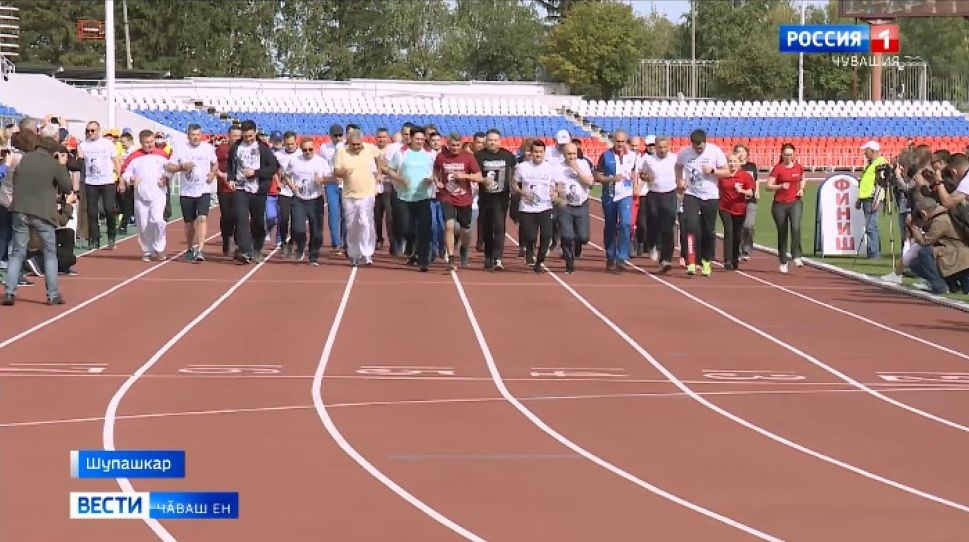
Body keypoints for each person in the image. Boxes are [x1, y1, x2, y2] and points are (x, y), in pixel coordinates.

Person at [2, 133, 72, 306]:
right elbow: (67, 187)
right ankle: (52, 294)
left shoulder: (24, 159)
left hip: (20, 209)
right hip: (43, 212)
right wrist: (62, 166)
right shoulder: (53, 164)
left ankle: (9, 291)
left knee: (17, 252)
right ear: (54, 152)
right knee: (49, 253)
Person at [675, 129, 728, 276]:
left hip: (710, 196)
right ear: (691, 143)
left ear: (705, 142)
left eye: (701, 147)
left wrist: (713, 171)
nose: (699, 150)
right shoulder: (684, 152)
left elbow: (727, 172)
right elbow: (678, 166)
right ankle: (691, 261)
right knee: (691, 226)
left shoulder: (715, 152)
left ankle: (706, 260)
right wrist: (679, 180)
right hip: (691, 194)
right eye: (696, 147)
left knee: (708, 230)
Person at [226, 120, 278, 263]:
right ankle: (245, 251)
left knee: (257, 222)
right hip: (240, 189)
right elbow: (230, 165)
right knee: (241, 218)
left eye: (250, 136)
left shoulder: (263, 148)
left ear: (255, 132)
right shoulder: (236, 147)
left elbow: (273, 167)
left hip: (258, 190)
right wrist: (230, 178)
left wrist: (255, 172)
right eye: (245, 136)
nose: (248, 139)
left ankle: (257, 248)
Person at [384, 127, 435, 272]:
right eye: (417, 139)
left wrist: (430, 179)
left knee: (425, 229)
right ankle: (410, 245)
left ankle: (423, 261)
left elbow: (434, 173)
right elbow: (389, 169)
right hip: (404, 198)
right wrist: (399, 178)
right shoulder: (401, 153)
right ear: (410, 139)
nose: (420, 141)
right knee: (406, 228)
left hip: (423, 197)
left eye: (422, 139)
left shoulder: (429, 155)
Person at [165, 123, 218, 262]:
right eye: (193, 135)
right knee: (189, 223)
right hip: (186, 191)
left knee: (202, 218)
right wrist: (182, 166)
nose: (196, 137)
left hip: (204, 189)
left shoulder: (208, 148)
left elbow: (215, 163)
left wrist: (212, 173)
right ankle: (189, 248)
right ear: (188, 135)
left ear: (202, 135)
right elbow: (169, 166)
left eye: (198, 135)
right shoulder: (180, 148)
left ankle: (200, 250)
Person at [433, 132, 484, 270]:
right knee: (449, 225)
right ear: (447, 144)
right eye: (452, 145)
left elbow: (479, 177)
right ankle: (450, 256)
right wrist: (437, 182)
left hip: (464, 198)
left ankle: (464, 249)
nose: (455, 148)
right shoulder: (441, 157)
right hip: (447, 196)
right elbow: (435, 172)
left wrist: (465, 175)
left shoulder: (468, 157)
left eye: (457, 145)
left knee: (465, 230)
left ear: (461, 144)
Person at [333, 131, 381, 266]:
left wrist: (379, 173)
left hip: (367, 193)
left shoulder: (370, 148)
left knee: (366, 222)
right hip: (349, 194)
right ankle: (354, 253)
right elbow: (336, 171)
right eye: (353, 145)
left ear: (362, 142)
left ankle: (367, 253)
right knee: (351, 225)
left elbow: (380, 158)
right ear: (349, 143)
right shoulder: (342, 152)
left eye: (358, 144)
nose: (356, 147)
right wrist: (344, 172)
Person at [123, 130, 171, 262]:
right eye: (146, 143)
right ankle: (147, 250)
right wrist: (131, 179)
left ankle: (160, 248)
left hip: (158, 194)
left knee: (158, 220)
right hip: (140, 196)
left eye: (151, 142)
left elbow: (170, 169)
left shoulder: (162, 154)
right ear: (141, 142)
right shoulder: (134, 157)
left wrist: (166, 178)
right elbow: (125, 173)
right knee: (143, 225)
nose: (150, 145)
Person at [594, 130, 638, 272]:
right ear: (613, 141)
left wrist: (637, 185)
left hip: (625, 196)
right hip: (610, 196)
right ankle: (611, 256)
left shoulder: (633, 156)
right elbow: (597, 176)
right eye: (617, 141)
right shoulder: (605, 156)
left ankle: (622, 256)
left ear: (626, 142)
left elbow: (636, 173)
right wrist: (611, 179)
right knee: (611, 226)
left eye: (622, 141)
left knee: (626, 224)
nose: (620, 144)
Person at [513, 140, 559, 273]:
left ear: (544, 153)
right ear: (531, 153)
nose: (538, 154)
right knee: (531, 236)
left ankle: (539, 261)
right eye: (535, 152)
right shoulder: (522, 167)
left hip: (545, 207)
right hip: (527, 208)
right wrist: (523, 192)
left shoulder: (551, 168)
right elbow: (514, 184)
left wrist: (555, 192)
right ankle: (529, 250)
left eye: (540, 152)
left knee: (546, 236)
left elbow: (558, 184)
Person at [907, 196, 969, 294]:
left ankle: (939, 286)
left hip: (957, 257)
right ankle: (951, 285)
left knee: (924, 253)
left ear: (924, 213)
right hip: (958, 256)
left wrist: (913, 227)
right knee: (918, 262)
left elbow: (925, 241)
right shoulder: (943, 215)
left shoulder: (940, 220)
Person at [474, 128, 517, 271]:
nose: (492, 143)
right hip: (485, 197)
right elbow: (474, 174)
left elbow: (515, 172)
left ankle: (498, 258)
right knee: (487, 228)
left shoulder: (507, 156)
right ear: (486, 141)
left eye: (495, 140)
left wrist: (513, 188)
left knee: (499, 226)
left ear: (500, 141)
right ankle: (488, 256)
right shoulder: (479, 156)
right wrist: (482, 180)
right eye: (490, 140)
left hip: (501, 197)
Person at [78, 121, 122, 250]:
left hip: (107, 181)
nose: (90, 133)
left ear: (99, 130)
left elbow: (116, 161)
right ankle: (94, 240)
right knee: (92, 212)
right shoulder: (83, 145)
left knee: (109, 209)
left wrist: (120, 179)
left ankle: (111, 237)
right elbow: (80, 161)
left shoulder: (107, 144)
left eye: (93, 130)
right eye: (88, 131)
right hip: (91, 182)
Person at [637, 136, 678, 273]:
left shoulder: (674, 158)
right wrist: (646, 177)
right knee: (653, 224)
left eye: (665, 147)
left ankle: (665, 260)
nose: (662, 150)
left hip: (670, 194)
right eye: (660, 147)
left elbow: (680, 174)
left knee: (668, 228)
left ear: (669, 146)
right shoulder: (648, 159)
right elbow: (641, 173)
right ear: (655, 147)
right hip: (653, 194)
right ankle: (652, 244)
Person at [287, 138, 330, 266]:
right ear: (301, 149)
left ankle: (313, 256)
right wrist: (291, 186)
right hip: (299, 199)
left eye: (310, 149)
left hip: (315, 199)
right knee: (297, 228)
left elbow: (331, 177)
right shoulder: (295, 161)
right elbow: (286, 174)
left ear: (314, 148)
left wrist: (321, 180)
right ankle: (300, 247)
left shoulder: (321, 162)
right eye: (305, 150)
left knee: (317, 231)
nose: (308, 152)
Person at [765, 143, 805, 273]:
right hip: (779, 204)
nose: (788, 157)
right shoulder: (778, 169)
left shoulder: (798, 167)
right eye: (786, 155)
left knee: (796, 226)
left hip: (795, 202)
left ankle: (796, 255)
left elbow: (803, 179)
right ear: (782, 155)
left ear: (794, 155)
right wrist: (780, 186)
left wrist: (802, 189)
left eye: (790, 155)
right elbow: (768, 186)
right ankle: (783, 260)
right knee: (782, 232)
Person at [554, 143, 594, 274]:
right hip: (565, 205)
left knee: (583, 237)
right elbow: (556, 186)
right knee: (566, 236)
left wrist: (577, 169)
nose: (571, 157)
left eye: (574, 154)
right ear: (564, 155)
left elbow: (590, 183)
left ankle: (577, 244)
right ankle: (569, 264)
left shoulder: (583, 164)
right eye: (569, 154)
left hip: (581, 204)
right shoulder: (558, 167)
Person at [718, 152, 756, 270]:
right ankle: (727, 260)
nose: (732, 164)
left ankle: (735, 259)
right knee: (728, 231)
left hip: (740, 209)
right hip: (725, 208)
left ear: (739, 163)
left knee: (737, 235)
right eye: (730, 161)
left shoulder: (745, 176)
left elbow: (750, 193)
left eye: (735, 162)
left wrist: (742, 191)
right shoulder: (722, 175)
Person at [856, 140, 888, 259]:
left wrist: (877, 200)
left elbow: (881, 184)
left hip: (872, 199)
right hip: (866, 198)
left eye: (866, 151)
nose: (864, 153)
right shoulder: (871, 163)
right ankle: (872, 251)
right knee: (869, 225)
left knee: (870, 226)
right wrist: (860, 199)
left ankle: (874, 253)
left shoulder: (881, 163)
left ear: (873, 151)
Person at [215, 125, 241, 256]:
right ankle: (226, 239)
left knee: (238, 216)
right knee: (226, 216)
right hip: (224, 188)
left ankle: (238, 243)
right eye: (234, 136)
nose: (237, 138)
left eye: (238, 136)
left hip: (239, 188)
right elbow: (213, 165)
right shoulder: (221, 149)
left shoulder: (243, 149)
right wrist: (221, 174)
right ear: (228, 136)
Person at [319, 123, 346, 254]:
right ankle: (336, 242)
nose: (338, 138)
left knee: (346, 213)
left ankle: (346, 241)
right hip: (331, 183)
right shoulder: (324, 148)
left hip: (345, 183)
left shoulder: (347, 146)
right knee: (334, 212)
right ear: (330, 136)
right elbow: (322, 164)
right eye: (335, 135)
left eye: (340, 135)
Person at [734, 143, 759, 261]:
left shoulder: (751, 166)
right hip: (737, 200)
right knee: (738, 226)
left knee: (748, 225)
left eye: (743, 151)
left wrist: (757, 191)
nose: (741, 153)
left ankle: (747, 248)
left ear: (747, 153)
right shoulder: (734, 166)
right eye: (738, 151)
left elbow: (756, 180)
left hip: (751, 199)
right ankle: (737, 250)